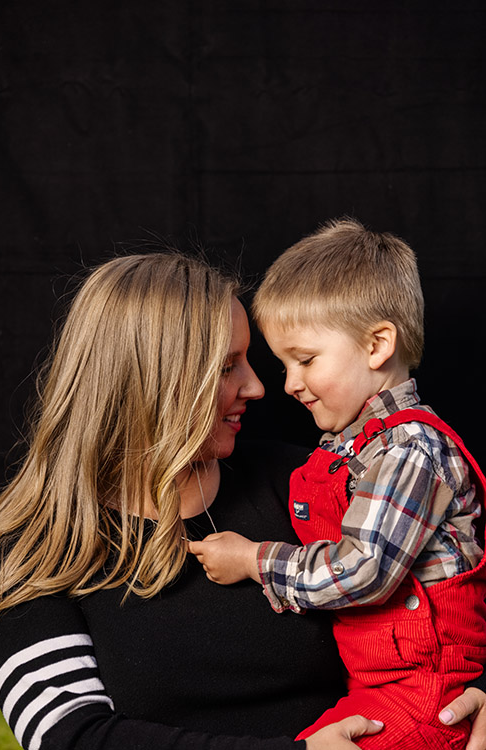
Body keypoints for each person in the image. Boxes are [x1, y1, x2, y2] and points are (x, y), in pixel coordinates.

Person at [0, 250, 391, 750]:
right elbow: (71, 738)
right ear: (148, 381)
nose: (258, 386)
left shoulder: (309, 482)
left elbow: (447, 587)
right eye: (227, 367)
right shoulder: (35, 551)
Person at [188, 219, 486, 750]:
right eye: (283, 364)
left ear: (377, 345)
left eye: (304, 360)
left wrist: (255, 560)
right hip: (375, 687)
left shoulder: (409, 450)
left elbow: (364, 569)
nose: (288, 384)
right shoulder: (346, 452)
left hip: (425, 694)